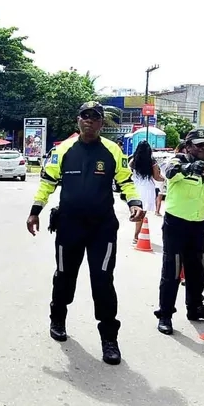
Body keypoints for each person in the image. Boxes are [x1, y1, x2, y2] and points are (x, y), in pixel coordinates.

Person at [26, 101, 144, 366]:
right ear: (78, 120)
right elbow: (47, 182)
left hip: (102, 228)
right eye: (84, 116)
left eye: (94, 118)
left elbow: (125, 181)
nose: (89, 121)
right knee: (64, 276)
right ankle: (58, 318)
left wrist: (134, 203)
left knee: (103, 281)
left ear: (102, 123)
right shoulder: (63, 150)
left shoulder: (112, 151)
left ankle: (109, 339)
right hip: (69, 226)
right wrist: (35, 211)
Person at [155, 129, 204, 334]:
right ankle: (165, 314)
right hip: (176, 225)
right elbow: (168, 173)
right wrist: (190, 168)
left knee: (197, 271)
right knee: (172, 272)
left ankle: (195, 307)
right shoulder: (176, 160)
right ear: (188, 146)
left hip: (198, 225)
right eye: (199, 145)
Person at [129, 140, 163, 241]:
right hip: (147, 188)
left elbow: (129, 171)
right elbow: (157, 177)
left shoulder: (133, 160)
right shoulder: (152, 161)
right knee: (142, 213)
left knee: (137, 211)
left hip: (135, 187)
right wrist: (165, 179)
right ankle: (136, 236)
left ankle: (136, 234)